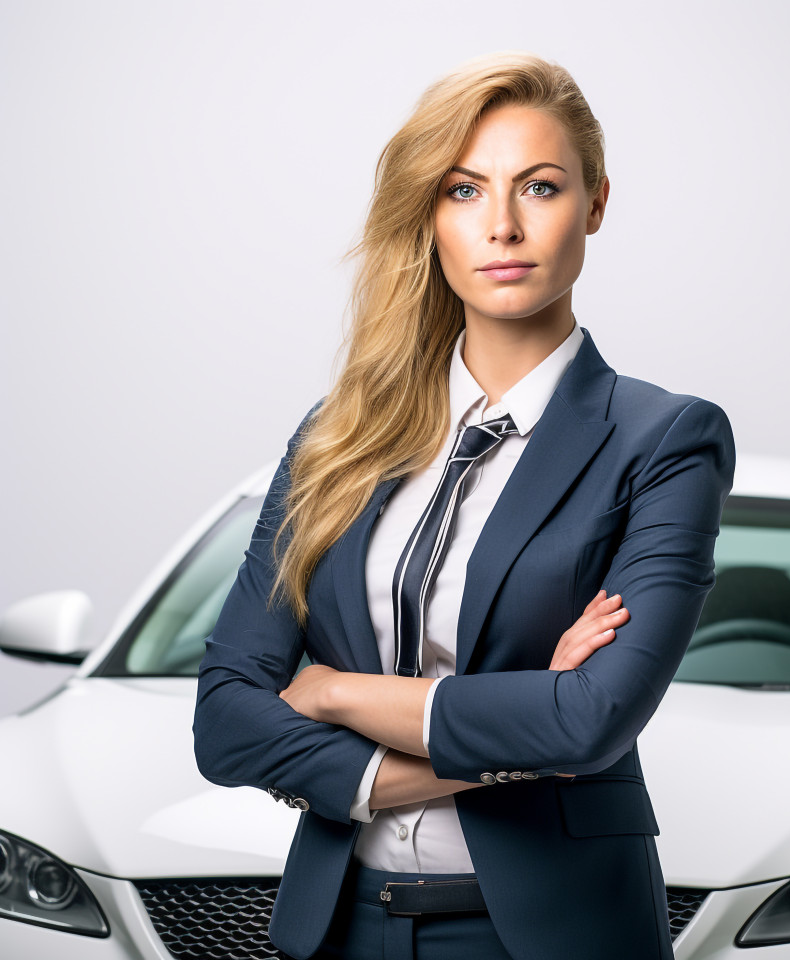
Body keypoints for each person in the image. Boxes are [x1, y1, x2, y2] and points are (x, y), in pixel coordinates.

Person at [193, 51, 735, 960]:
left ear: (596, 204)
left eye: (541, 187)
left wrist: (332, 692)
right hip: (340, 927)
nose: (504, 226)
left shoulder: (666, 439)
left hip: (549, 933)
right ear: (430, 216)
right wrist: (509, 736)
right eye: (464, 191)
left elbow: (591, 719)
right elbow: (225, 719)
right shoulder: (337, 435)